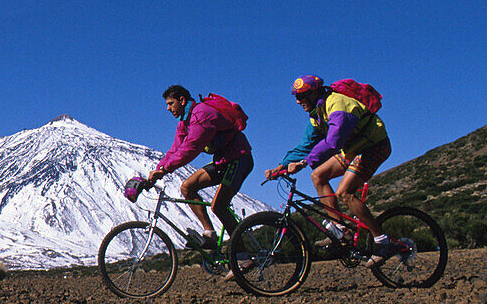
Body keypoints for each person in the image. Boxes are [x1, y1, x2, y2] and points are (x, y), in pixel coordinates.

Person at [267, 75, 395, 267]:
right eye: (296, 96)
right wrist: (283, 165)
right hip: (354, 149)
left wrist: (303, 163)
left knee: (345, 193)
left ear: (315, 93)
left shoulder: (338, 105)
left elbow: (333, 142)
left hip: (373, 146)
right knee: (318, 175)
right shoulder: (317, 115)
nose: (298, 101)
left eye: (302, 96)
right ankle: (340, 229)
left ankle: (383, 241)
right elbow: (306, 145)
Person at [143, 85, 254, 251]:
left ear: (182, 100)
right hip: (223, 161)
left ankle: (242, 256)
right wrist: (157, 171)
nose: (168, 108)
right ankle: (209, 233)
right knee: (187, 187)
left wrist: (166, 170)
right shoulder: (184, 123)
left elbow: (191, 148)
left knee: (219, 206)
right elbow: (175, 149)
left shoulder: (201, 114)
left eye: (170, 103)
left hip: (239, 159)